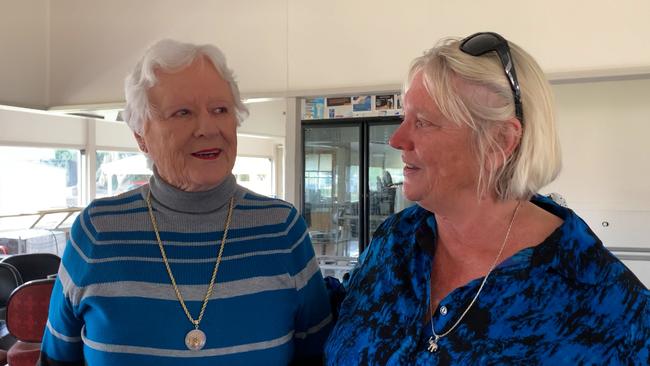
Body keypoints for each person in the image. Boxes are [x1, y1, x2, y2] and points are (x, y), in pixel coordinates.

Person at [325, 32, 649, 365]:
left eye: (422, 122)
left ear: (500, 141)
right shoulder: (395, 239)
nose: (397, 139)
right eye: (404, 118)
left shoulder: (609, 306)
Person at [39, 39, 332, 366]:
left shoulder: (282, 229)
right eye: (183, 113)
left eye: (220, 110)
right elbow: (55, 361)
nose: (207, 128)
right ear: (140, 136)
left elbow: (318, 356)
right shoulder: (97, 232)